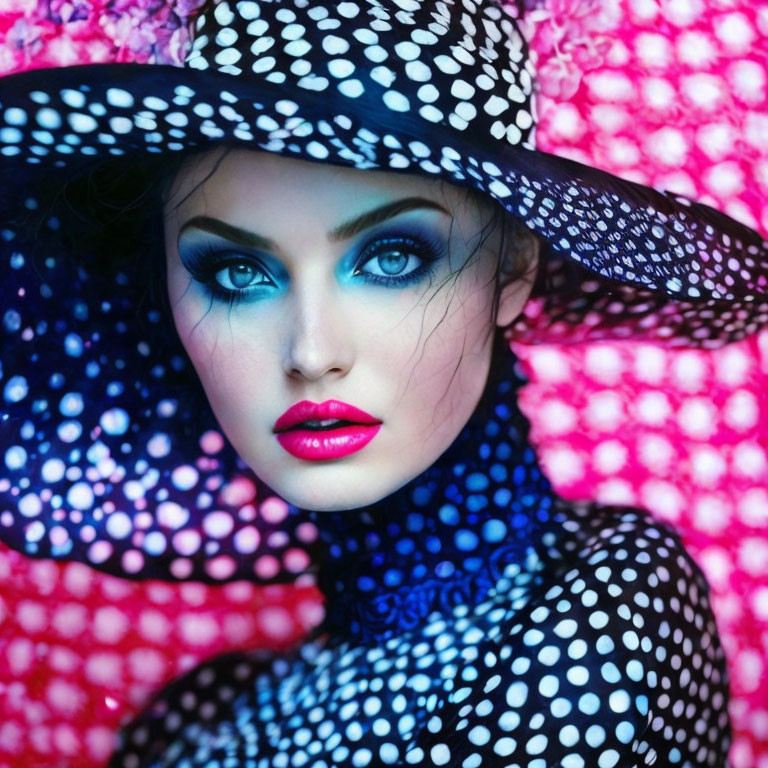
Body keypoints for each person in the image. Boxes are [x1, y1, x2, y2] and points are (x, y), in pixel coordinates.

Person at [0, 0, 764, 765]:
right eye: (236, 272)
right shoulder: (200, 719)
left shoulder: (605, 606)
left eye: (393, 256)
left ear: (515, 266)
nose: (313, 350)